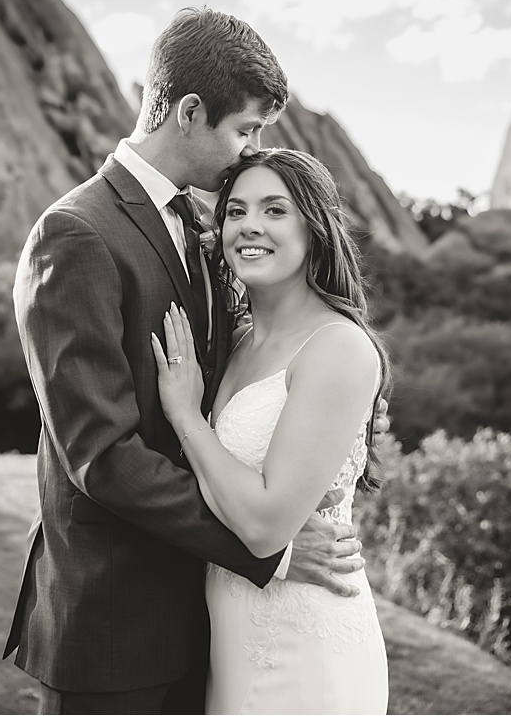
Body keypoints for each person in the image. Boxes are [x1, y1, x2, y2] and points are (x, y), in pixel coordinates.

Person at [5, 8, 375, 714]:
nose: (250, 151)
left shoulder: (200, 228)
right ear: (190, 112)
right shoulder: (77, 234)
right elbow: (103, 454)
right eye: (245, 130)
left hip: (206, 617)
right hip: (115, 619)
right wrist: (270, 549)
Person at [153, 148, 390, 713]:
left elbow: (264, 527)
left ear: (315, 228)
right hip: (233, 638)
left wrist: (187, 416)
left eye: (275, 210)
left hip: (307, 645)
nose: (249, 225)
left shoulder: (339, 348)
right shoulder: (234, 341)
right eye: (235, 211)